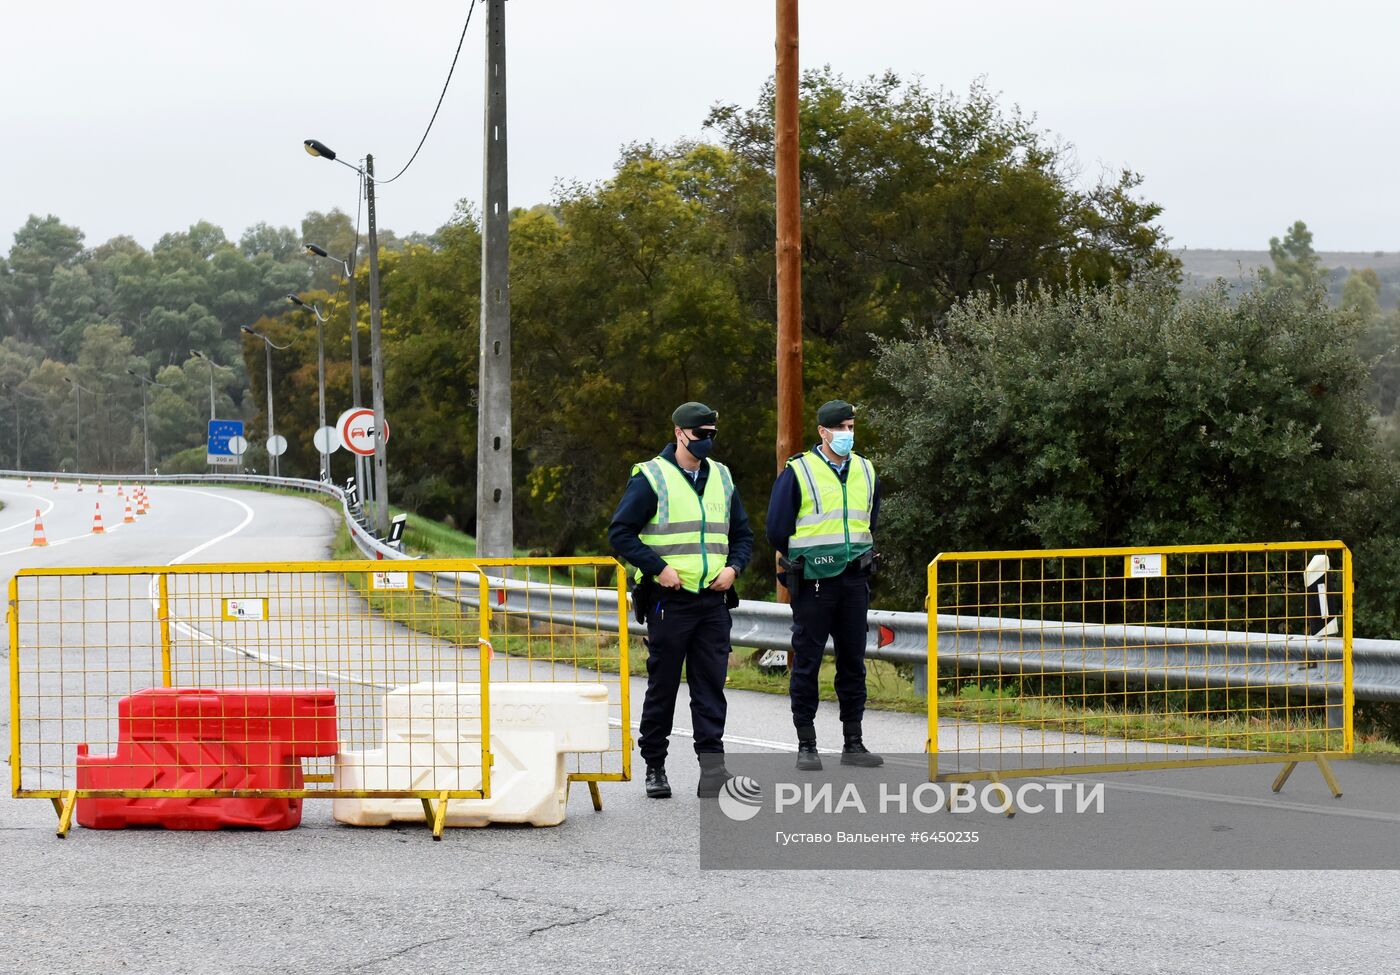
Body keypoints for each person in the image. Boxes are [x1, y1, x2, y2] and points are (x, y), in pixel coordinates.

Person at [608, 402, 754, 799]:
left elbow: (743, 535)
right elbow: (620, 533)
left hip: (713, 601)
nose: (706, 441)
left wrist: (734, 568)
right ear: (678, 433)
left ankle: (712, 768)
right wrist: (658, 568)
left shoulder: (722, 477)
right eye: (699, 435)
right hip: (669, 600)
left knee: (710, 686)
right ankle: (655, 765)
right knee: (664, 686)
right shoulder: (652, 477)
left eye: (712, 434)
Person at [766, 399, 884, 770]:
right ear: (822, 431)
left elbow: (871, 520)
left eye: (851, 427)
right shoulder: (799, 471)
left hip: (854, 579)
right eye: (840, 428)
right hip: (815, 580)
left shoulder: (866, 469)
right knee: (808, 662)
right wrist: (813, 557)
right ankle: (807, 744)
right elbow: (776, 530)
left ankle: (854, 743)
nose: (847, 434)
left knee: (853, 662)